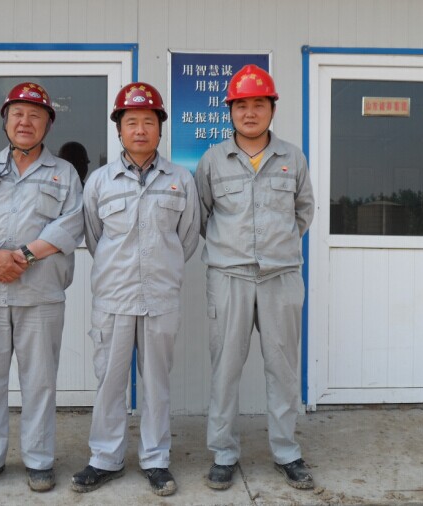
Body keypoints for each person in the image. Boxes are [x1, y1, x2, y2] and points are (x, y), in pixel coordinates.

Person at [0, 82, 84, 494]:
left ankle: (39, 460)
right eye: (17, 114)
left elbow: (71, 225)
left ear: (48, 124)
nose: (25, 122)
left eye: (35, 115)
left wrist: (21, 258)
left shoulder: (64, 173)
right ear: (6, 121)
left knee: (40, 381)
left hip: (40, 295)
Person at [71, 82, 200, 497]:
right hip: (114, 298)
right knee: (110, 381)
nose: (140, 130)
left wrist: (160, 267)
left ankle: (156, 459)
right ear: (119, 129)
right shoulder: (99, 182)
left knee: (157, 383)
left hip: (161, 297)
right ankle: (104, 458)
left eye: (148, 121)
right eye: (131, 122)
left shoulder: (180, 180)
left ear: (160, 128)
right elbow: (94, 238)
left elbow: (188, 238)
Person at [194, 64, 315, 491]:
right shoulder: (212, 160)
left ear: (272, 109)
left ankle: (286, 451)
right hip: (229, 277)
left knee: (283, 369)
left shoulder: (292, 158)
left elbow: (304, 212)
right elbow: (202, 214)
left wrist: (276, 247)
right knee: (226, 369)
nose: (249, 113)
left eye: (258, 104)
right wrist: (234, 249)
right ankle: (223, 454)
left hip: (282, 277)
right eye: (241, 105)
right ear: (230, 111)